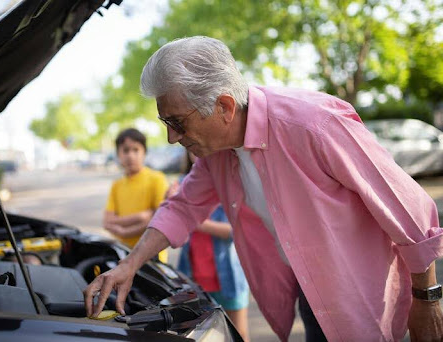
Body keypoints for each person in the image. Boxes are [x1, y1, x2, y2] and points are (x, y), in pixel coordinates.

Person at [85, 36, 443, 341]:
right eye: (165, 122)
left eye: (177, 122)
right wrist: (128, 266)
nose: (171, 137)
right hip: (311, 293)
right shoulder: (217, 153)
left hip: (362, 297)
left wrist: (427, 298)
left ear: (224, 105)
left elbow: (408, 208)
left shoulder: (314, 124)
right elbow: (181, 207)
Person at [175, 151, 250, 341]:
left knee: (238, 333)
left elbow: (234, 231)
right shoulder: (182, 183)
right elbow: (176, 233)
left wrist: (192, 219)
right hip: (194, 275)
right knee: (204, 336)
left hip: (228, 276)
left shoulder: (231, 182)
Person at [103, 128, 169, 263]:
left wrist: (125, 231)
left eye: (136, 150)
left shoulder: (156, 179)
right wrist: (141, 217)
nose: (130, 155)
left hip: (151, 254)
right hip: (124, 253)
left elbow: (160, 219)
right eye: (125, 150)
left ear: (144, 152)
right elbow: (107, 221)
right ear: (118, 154)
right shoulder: (117, 185)